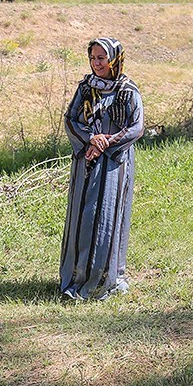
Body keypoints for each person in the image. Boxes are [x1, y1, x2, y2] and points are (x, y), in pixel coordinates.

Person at [60, 38, 145, 301]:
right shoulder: (86, 88)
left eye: (102, 58)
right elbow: (70, 119)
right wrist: (90, 139)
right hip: (85, 164)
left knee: (107, 217)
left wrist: (104, 144)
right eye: (93, 58)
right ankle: (77, 274)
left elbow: (136, 127)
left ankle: (106, 276)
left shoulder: (127, 90)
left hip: (113, 168)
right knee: (81, 218)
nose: (97, 64)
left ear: (114, 59)